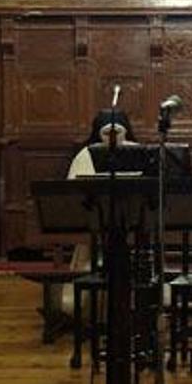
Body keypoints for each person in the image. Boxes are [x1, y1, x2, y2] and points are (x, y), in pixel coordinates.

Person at [57, 109, 138, 317]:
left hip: (133, 229)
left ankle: (134, 312)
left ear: (126, 132)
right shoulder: (87, 154)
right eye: (107, 134)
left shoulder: (137, 152)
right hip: (94, 231)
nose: (112, 138)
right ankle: (89, 314)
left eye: (117, 132)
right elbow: (74, 191)